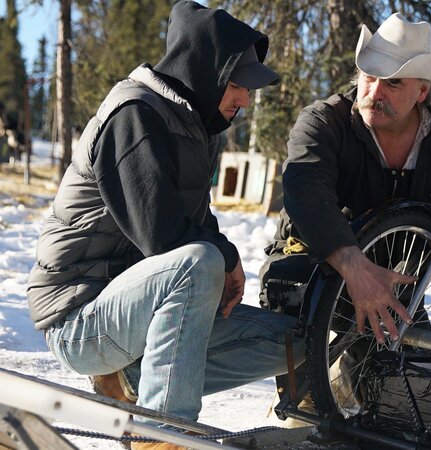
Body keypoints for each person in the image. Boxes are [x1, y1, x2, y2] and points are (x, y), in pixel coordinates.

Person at [27, 2, 302, 447]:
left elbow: (195, 219)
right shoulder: (134, 115)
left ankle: (141, 382)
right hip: (80, 317)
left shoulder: (200, 127)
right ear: (204, 72)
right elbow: (162, 235)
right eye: (237, 85)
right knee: (199, 262)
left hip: (137, 312)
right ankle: (163, 437)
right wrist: (226, 258)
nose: (246, 99)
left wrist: (222, 259)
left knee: (296, 342)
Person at [263, 13, 431, 344]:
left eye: (393, 82)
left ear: (422, 91)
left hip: (398, 294)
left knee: (415, 388)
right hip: (311, 273)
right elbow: (305, 193)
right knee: (305, 382)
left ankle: (352, 374)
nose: (374, 91)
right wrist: (354, 267)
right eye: (369, 76)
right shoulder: (323, 123)